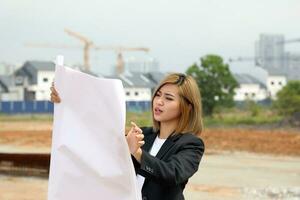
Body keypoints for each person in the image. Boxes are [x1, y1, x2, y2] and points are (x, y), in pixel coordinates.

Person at [50, 73, 205, 200]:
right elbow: (100, 137)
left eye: (168, 98)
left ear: (187, 107)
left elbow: (172, 174)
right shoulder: (143, 135)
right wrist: (66, 103)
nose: (159, 102)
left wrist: (137, 153)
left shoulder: (191, 144)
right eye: (158, 95)